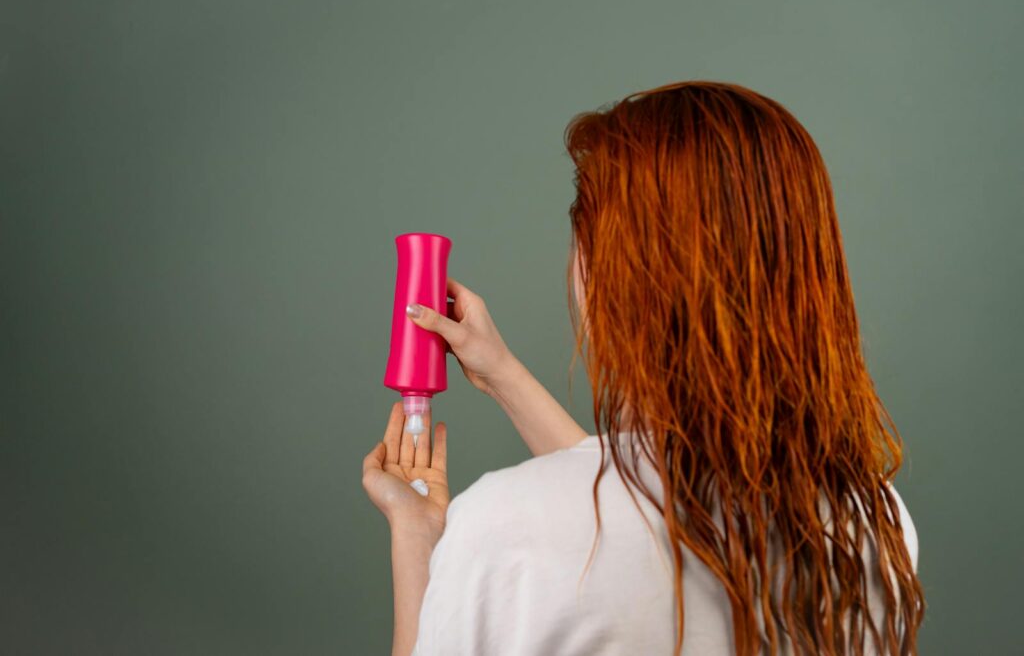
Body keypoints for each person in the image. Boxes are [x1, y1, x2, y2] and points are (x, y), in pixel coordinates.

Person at [362, 80, 925, 656]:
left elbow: (609, 518)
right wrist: (501, 373)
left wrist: (417, 538)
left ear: (613, 276)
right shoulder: (872, 521)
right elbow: (646, 505)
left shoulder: (503, 530)